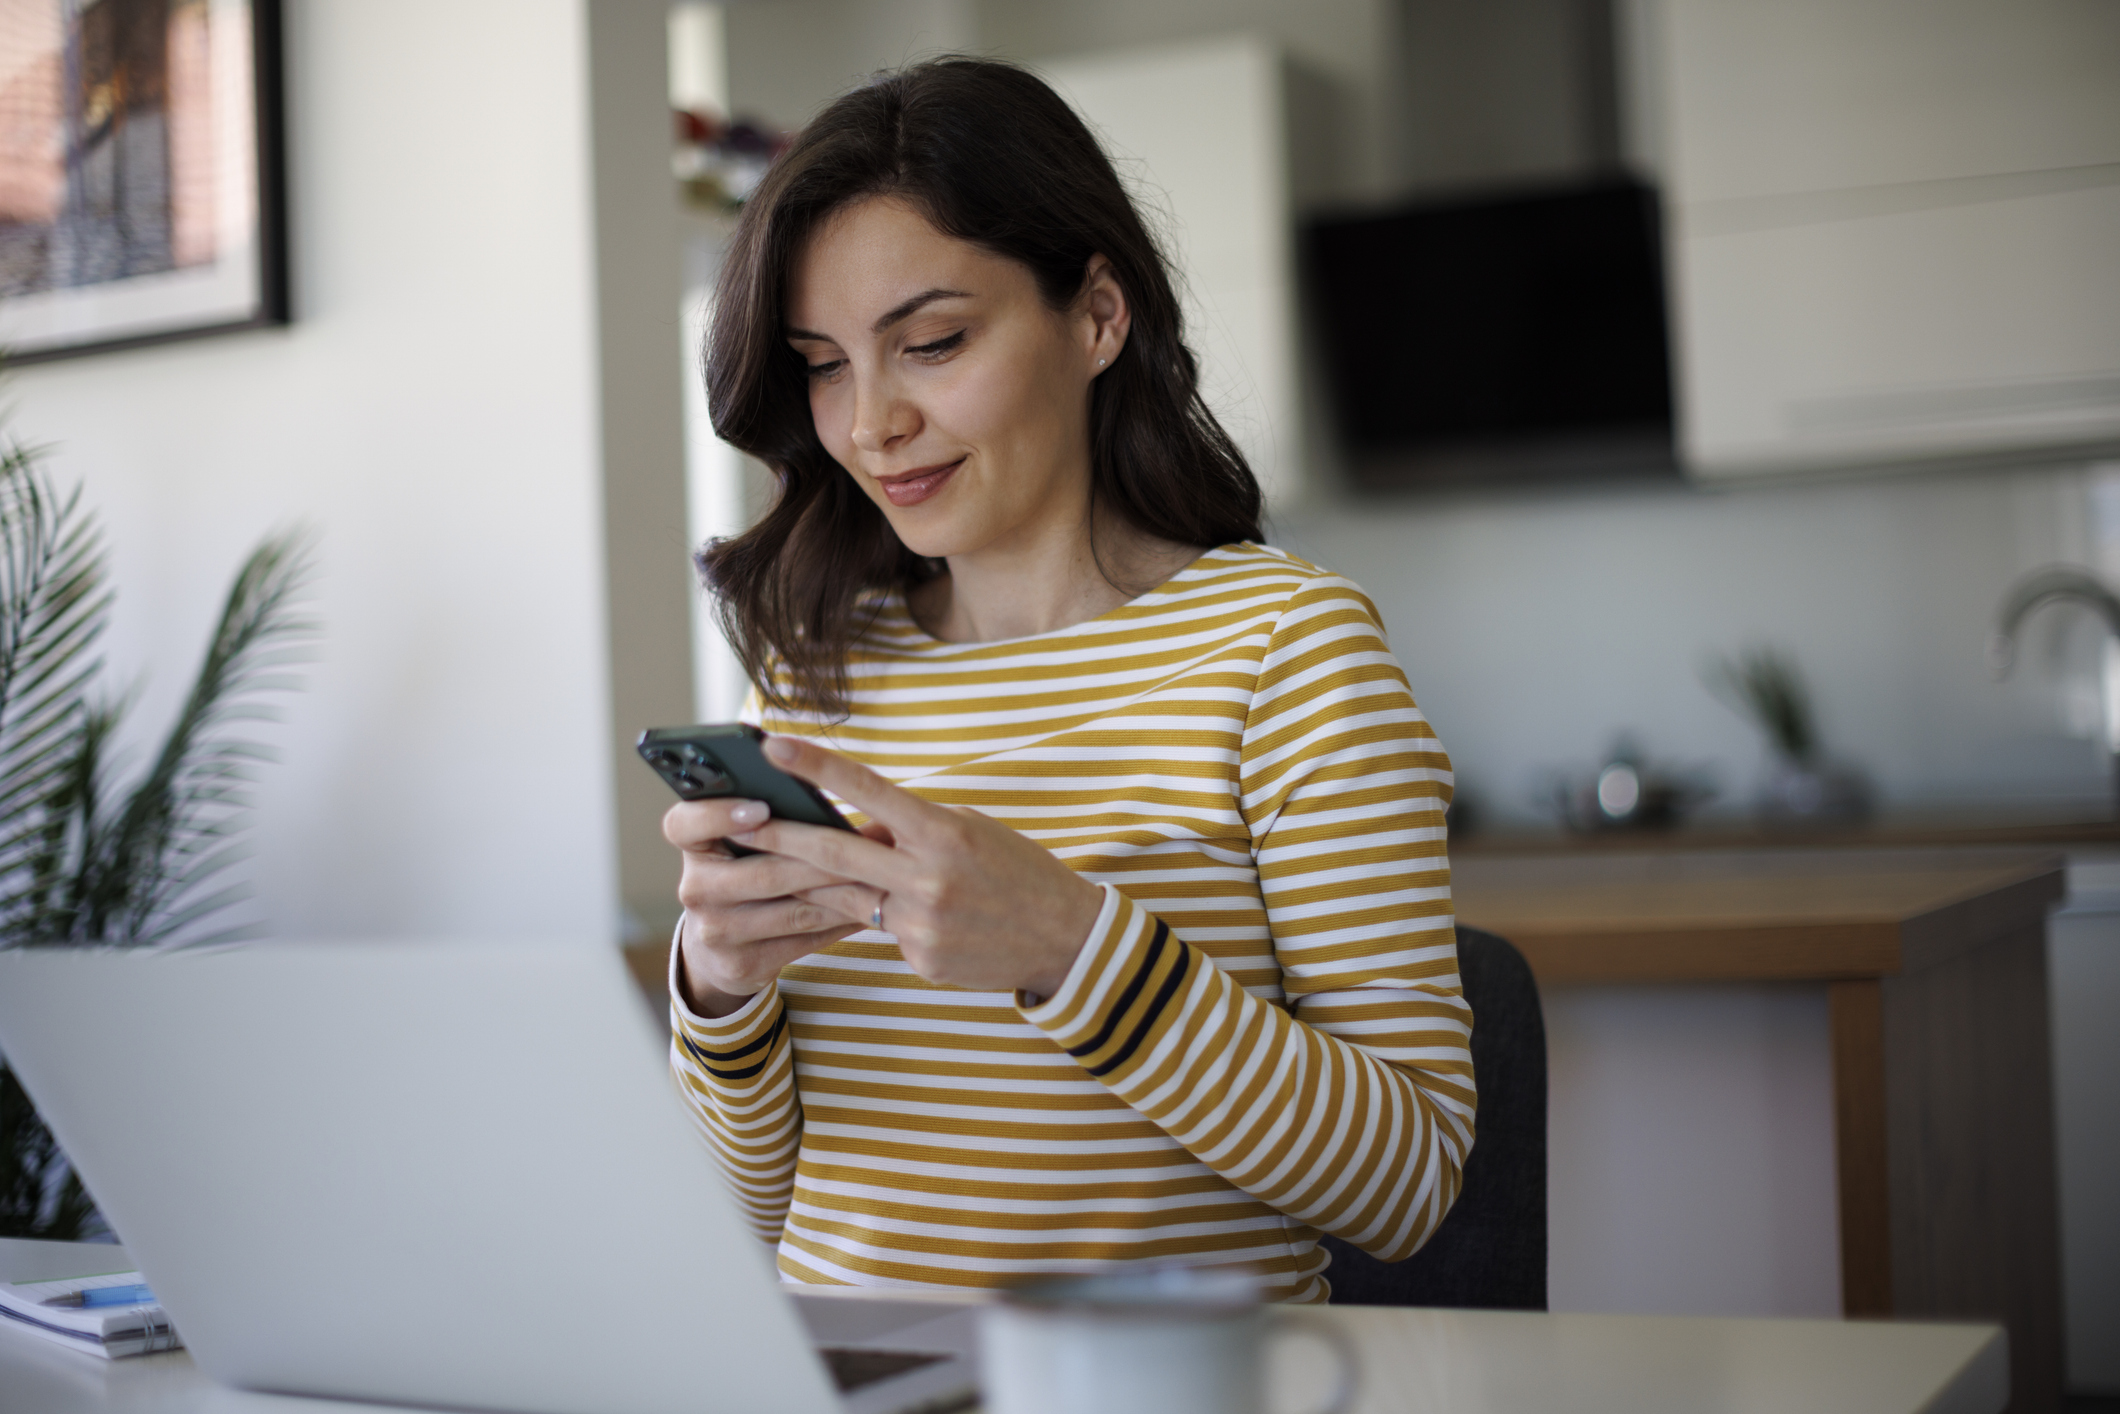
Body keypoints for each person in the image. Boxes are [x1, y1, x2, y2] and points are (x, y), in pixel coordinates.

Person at [663, 57, 1472, 1304]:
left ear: (1098, 316)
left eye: (929, 342)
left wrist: (1069, 946)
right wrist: (719, 991)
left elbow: (1406, 1184)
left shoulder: (1285, 652)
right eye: (822, 364)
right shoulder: (815, 673)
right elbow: (753, 1213)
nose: (868, 423)